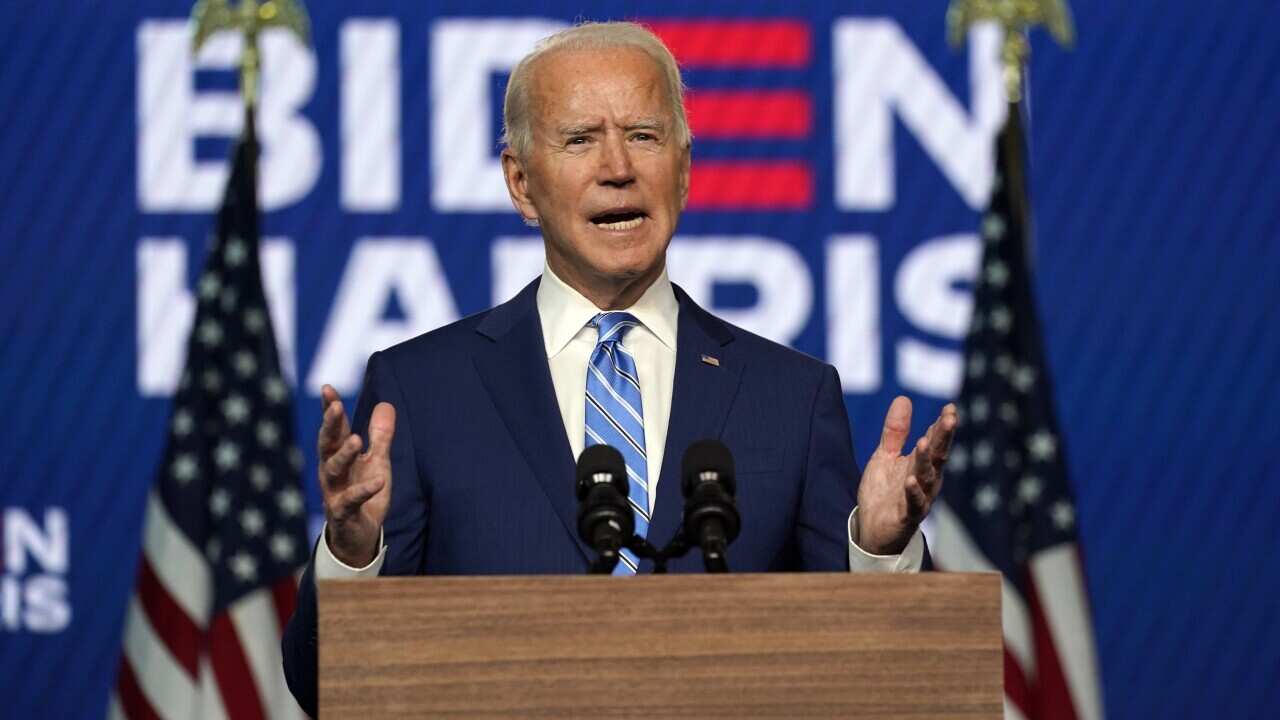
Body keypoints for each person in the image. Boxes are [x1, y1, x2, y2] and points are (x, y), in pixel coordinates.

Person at [282, 22, 957, 715]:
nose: (618, 168)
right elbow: (323, 687)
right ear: (521, 183)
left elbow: (886, 676)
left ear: (685, 169)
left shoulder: (791, 396)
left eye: (644, 135)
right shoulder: (422, 393)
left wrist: (879, 554)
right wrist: (354, 557)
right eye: (580, 139)